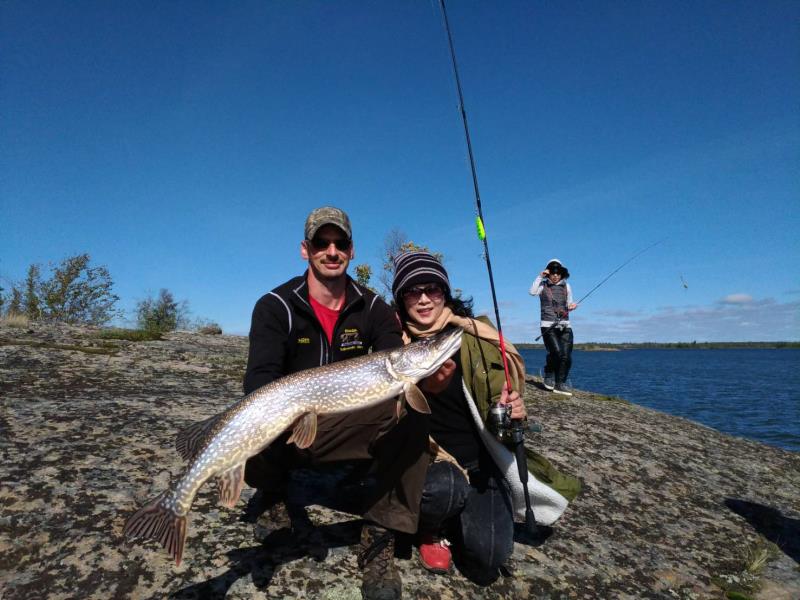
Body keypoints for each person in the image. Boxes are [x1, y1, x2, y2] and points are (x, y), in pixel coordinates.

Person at [243, 207, 430, 600]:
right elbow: (258, 379)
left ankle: (378, 537)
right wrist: (290, 412)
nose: (331, 251)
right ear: (305, 249)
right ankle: (273, 492)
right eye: (321, 243)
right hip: (285, 435)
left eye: (340, 243)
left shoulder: (373, 306)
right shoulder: (275, 306)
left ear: (351, 250)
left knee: (412, 416)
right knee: (261, 409)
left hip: (343, 432)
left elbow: (392, 358)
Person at [392, 251, 581, 584]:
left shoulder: (477, 337)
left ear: (444, 293)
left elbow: (502, 415)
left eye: (432, 289)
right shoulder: (390, 343)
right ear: (400, 298)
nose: (423, 298)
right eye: (412, 291)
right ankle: (429, 528)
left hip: (480, 462)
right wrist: (427, 390)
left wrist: (515, 414)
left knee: (488, 557)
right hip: (429, 461)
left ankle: (460, 516)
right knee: (444, 489)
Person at [529, 258, 577, 396]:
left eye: (558, 272)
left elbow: (568, 304)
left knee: (566, 356)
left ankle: (560, 383)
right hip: (547, 325)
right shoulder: (542, 285)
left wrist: (571, 307)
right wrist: (540, 276)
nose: (555, 275)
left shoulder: (567, 287)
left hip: (565, 325)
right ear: (548, 273)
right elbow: (532, 292)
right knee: (556, 352)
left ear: (562, 274)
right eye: (552, 272)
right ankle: (549, 374)